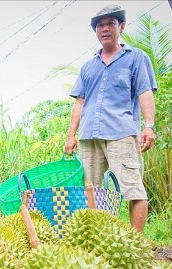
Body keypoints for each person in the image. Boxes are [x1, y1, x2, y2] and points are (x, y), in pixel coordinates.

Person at [64, 5, 157, 232]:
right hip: (89, 136)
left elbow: (145, 91)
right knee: (93, 192)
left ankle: (135, 246)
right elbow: (80, 102)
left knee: (132, 189)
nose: (105, 29)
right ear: (96, 31)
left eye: (110, 24)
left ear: (121, 27)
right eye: (100, 25)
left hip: (121, 134)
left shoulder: (136, 58)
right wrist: (71, 135)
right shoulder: (88, 67)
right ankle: (102, 241)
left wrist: (149, 126)